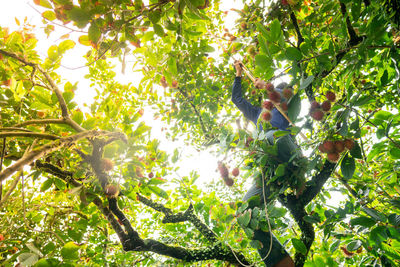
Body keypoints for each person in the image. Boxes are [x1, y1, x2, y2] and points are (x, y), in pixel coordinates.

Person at [232, 61, 296, 267]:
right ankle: (279, 261)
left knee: (269, 136)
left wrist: (268, 86)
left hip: (285, 148)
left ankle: (298, 180)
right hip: (271, 167)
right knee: (244, 211)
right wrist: (238, 75)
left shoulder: (285, 105)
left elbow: (282, 94)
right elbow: (237, 99)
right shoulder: (257, 114)